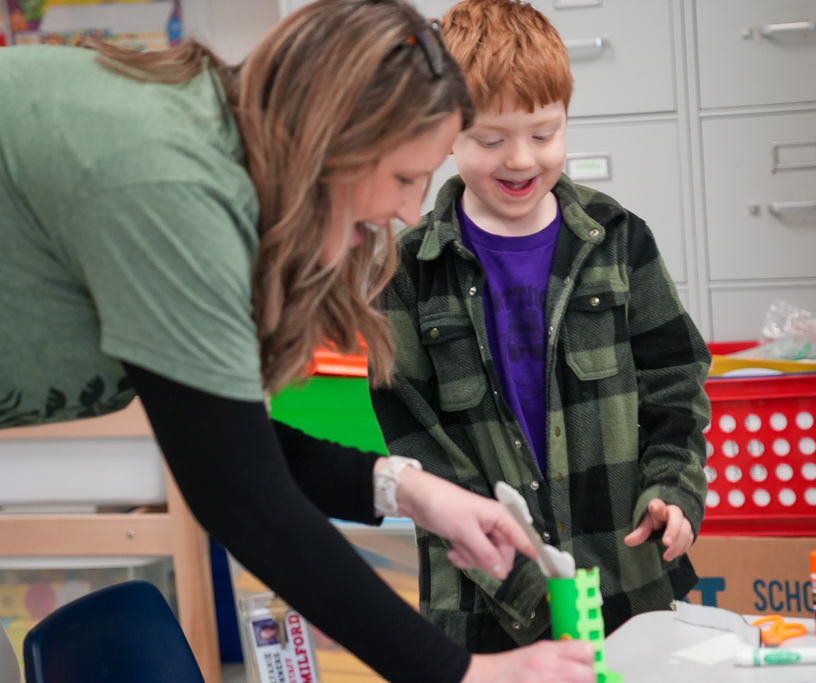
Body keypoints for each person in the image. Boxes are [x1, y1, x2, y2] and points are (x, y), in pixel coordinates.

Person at [0, 1, 595, 681]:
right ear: (336, 138)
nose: (407, 210)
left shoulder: (211, 155)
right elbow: (241, 494)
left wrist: (409, 490)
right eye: (403, 178)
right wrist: (464, 673)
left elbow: (230, 442)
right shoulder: (173, 186)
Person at [369, 0, 712, 652]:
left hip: (625, 583)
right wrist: (522, 578)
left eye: (544, 132)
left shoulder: (619, 241)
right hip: (484, 602)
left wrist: (674, 489)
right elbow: (413, 434)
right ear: (447, 134)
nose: (521, 160)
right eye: (490, 139)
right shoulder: (409, 270)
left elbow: (678, 382)